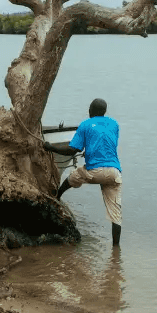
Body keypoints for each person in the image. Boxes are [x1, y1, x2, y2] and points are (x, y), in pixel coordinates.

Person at [43, 97, 122, 246]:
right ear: (104, 111)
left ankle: (56, 197)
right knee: (116, 214)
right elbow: (107, 144)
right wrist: (91, 151)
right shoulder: (114, 124)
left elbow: (72, 150)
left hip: (94, 171)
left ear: (91, 110)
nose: (88, 110)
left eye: (89, 108)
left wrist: (51, 148)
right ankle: (116, 251)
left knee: (74, 177)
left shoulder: (85, 124)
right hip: (114, 172)